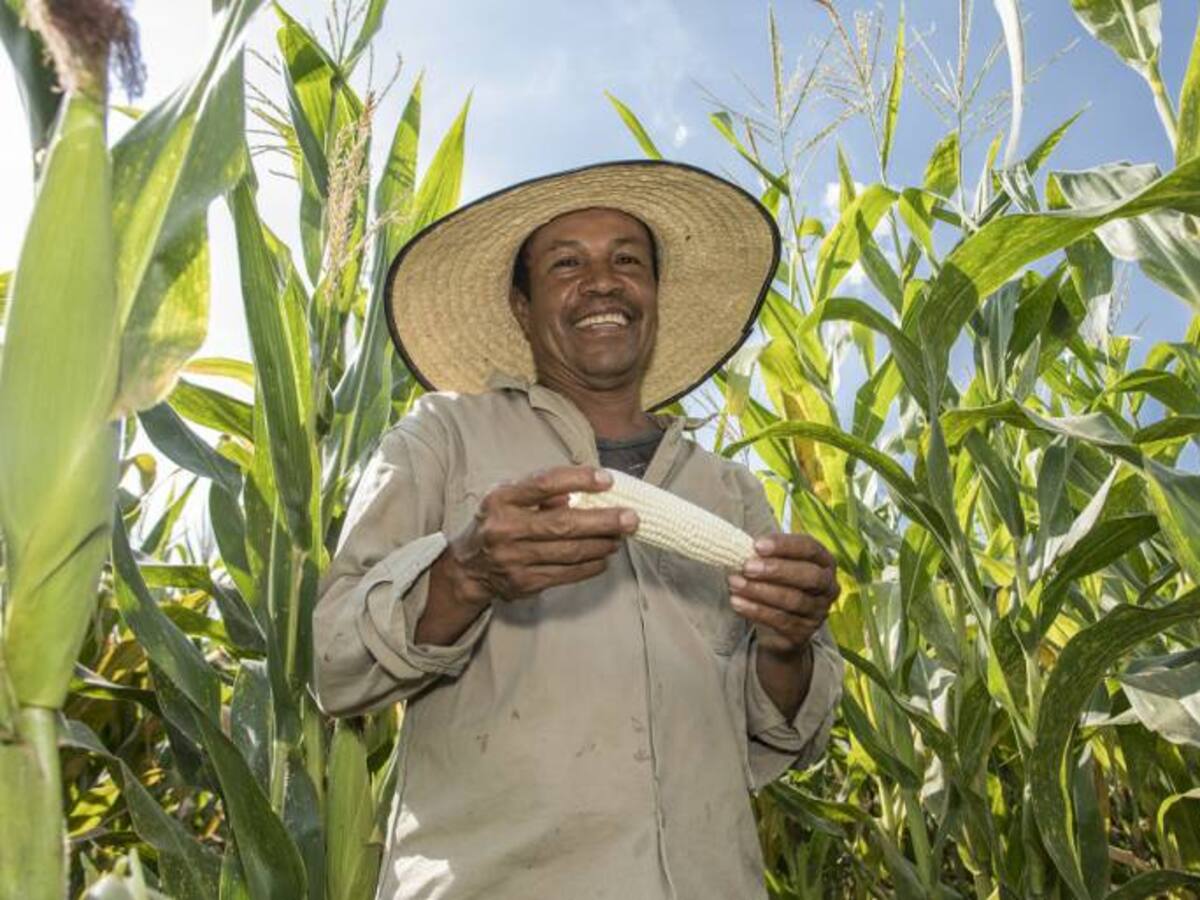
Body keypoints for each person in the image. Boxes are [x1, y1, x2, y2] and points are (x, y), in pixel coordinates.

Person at [314, 160, 844, 900]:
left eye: (627, 261)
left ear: (654, 295)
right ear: (522, 306)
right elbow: (334, 668)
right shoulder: (442, 438)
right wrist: (466, 575)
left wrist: (788, 645)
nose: (602, 283)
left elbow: (785, 735)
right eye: (567, 264)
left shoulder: (732, 490)